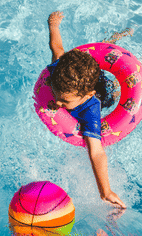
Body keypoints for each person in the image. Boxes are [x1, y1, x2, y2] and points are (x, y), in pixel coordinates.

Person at [47, 11, 127, 208]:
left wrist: (105, 192)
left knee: (116, 90)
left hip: (103, 91)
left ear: (86, 96)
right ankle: (113, 38)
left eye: (64, 102)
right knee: (85, 64)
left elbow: (96, 152)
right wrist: (53, 26)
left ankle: (136, 57)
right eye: (56, 96)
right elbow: (57, 47)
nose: (57, 103)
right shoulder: (58, 73)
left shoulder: (91, 109)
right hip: (83, 82)